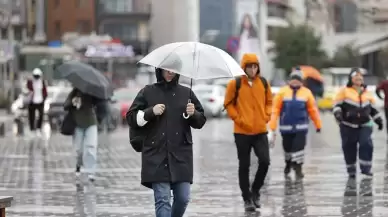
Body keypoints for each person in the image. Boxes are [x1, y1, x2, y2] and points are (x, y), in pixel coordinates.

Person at [126, 68, 206, 217]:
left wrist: (193, 113)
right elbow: (130, 117)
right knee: (163, 199)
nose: (170, 73)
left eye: (173, 70)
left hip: (181, 155)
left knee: (183, 198)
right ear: (160, 70)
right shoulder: (148, 91)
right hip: (156, 155)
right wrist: (150, 112)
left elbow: (201, 121)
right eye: (166, 70)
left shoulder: (187, 93)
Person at [223, 53, 272, 211]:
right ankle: (247, 198)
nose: (252, 69)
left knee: (265, 161)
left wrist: (266, 115)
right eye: (249, 66)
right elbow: (228, 104)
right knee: (244, 165)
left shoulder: (263, 83)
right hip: (242, 132)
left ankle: (256, 191)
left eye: (255, 66)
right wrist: (239, 119)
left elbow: (269, 101)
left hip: (260, 131)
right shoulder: (235, 84)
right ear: (243, 67)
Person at [268, 70, 322, 179]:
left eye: (298, 80)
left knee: (299, 147)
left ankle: (298, 168)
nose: (295, 82)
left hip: (301, 127)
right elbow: (275, 110)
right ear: (289, 80)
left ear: (301, 82)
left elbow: (313, 110)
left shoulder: (307, 93)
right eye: (293, 79)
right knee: (287, 148)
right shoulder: (282, 92)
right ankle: (288, 164)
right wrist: (272, 126)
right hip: (286, 127)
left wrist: (318, 124)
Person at [333, 68, 383, 178]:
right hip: (348, 125)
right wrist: (338, 114)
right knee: (349, 147)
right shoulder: (344, 91)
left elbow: (372, 109)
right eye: (356, 78)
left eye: (360, 78)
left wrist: (378, 120)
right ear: (351, 79)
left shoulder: (367, 92)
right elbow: (337, 106)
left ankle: (366, 168)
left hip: (365, 124)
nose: (359, 79)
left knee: (366, 144)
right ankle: (351, 169)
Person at [64, 88, 100, 182]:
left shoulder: (92, 93)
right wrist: (72, 102)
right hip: (77, 124)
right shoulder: (74, 93)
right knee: (78, 150)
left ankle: (90, 172)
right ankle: (78, 165)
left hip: (91, 123)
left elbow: (99, 103)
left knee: (91, 147)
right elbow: (65, 106)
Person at [26, 68, 47, 137]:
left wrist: (44, 98)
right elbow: (27, 89)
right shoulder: (30, 82)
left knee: (41, 115)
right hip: (32, 101)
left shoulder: (42, 82)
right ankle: (32, 129)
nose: (36, 77)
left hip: (40, 101)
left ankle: (38, 128)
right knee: (31, 116)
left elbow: (44, 91)